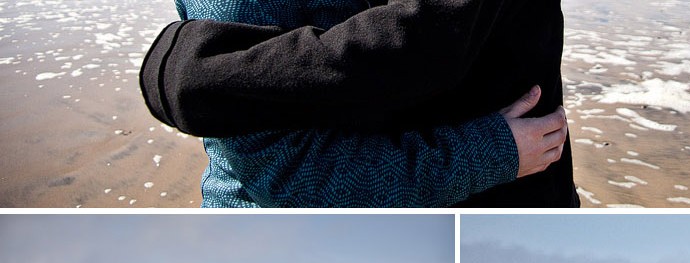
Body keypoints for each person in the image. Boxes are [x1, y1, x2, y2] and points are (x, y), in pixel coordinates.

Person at [139, 0, 578, 207]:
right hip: (291, 233)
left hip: (520, 187)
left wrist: (197, 74)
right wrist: (483, 154)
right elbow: (291, 176)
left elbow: (427, 35)